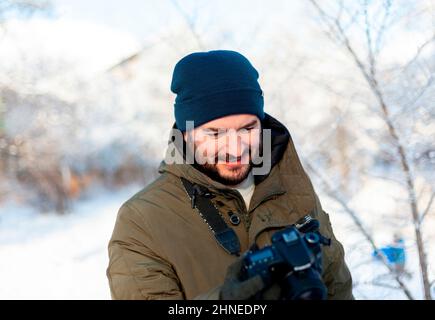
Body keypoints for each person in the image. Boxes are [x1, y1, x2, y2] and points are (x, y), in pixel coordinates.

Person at [106, 50, 354, 300]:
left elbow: (338, 288)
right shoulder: (142, 220)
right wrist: (227, 300)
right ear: (185, 134)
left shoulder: (292, 189)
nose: (235, 149)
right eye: (215, 134)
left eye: (247, 128)